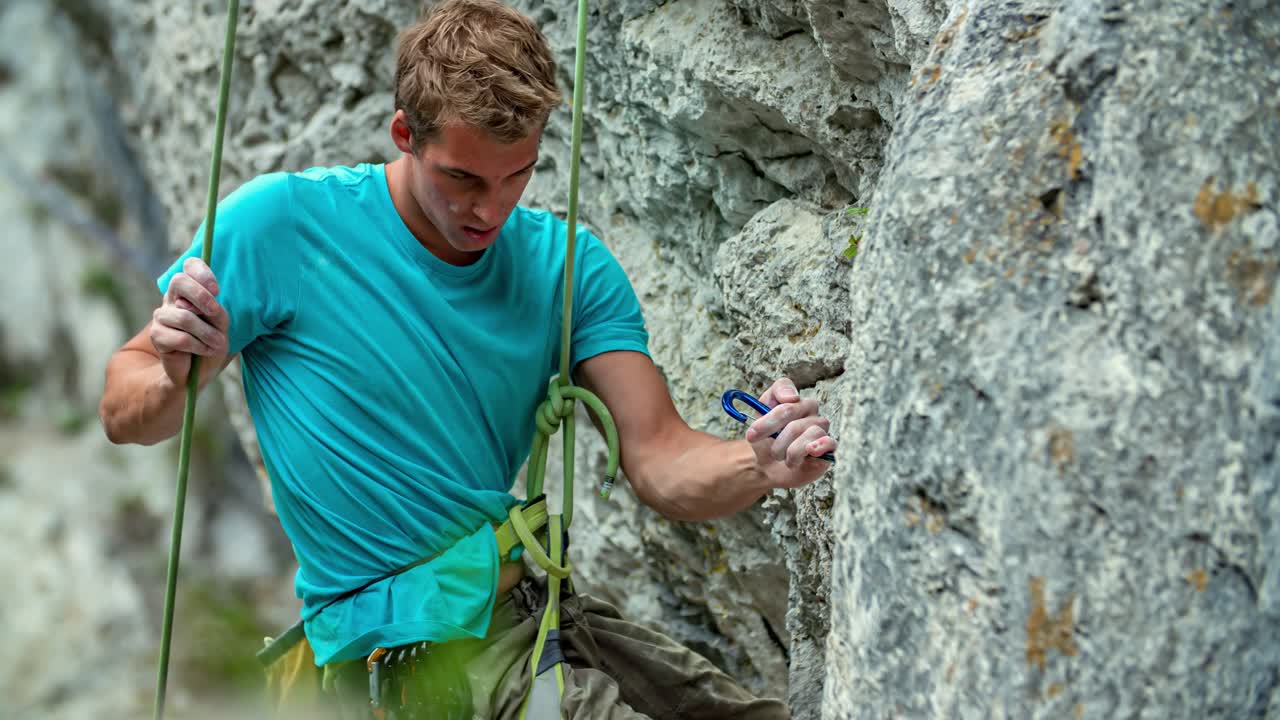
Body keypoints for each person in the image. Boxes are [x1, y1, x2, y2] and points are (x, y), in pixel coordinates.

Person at [98, 1, 837, 717]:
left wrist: (758, 462)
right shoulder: (280, 227)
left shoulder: (567, 266)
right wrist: (176, 370)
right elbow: (124, 411)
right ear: (404, 134)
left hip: (529, 612)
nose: (490, 208)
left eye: (517, 175)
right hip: (405, 656)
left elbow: (662, 458)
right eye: (463, 178)